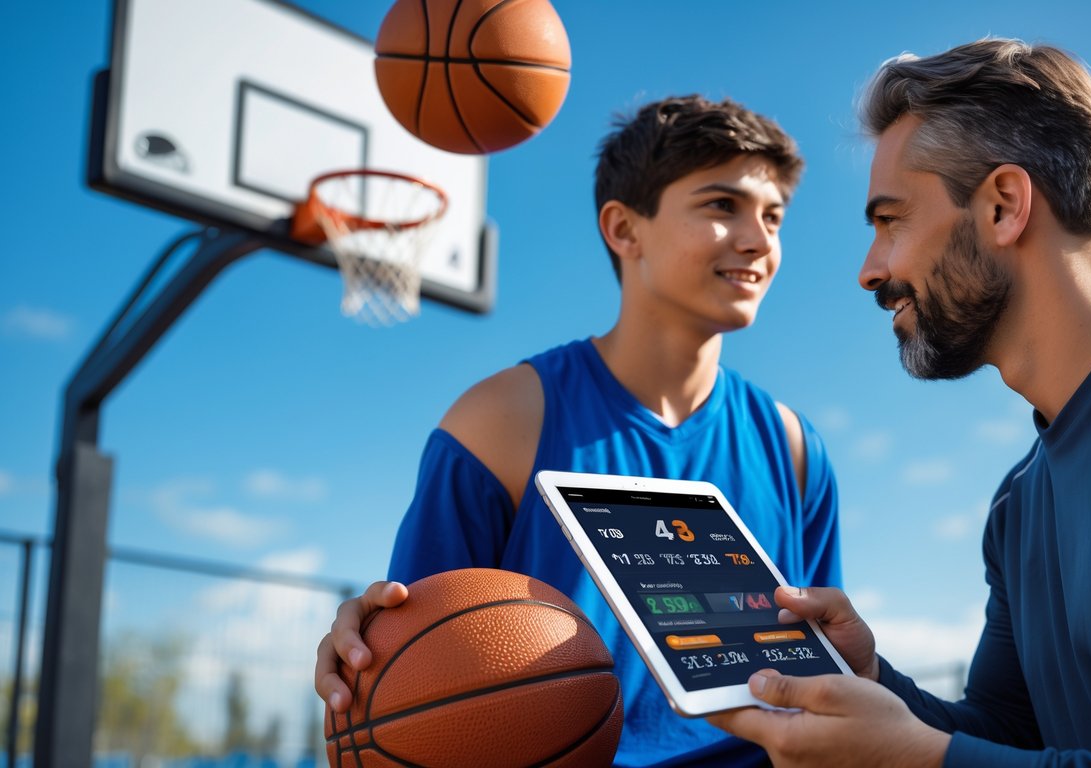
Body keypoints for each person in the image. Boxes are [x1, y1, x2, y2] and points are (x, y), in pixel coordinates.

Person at [708, 38, 1091, 766]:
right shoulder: (1018, 501)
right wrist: (871, 679)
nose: (869, 270)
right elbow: (1006, 734)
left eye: (890, 220)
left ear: (1003, 206)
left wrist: (922, 762)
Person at [314, 95, 842, 767]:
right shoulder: (501, 421)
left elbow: (825, 687)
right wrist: (369, 659)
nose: (759, 240)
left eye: (773, 217)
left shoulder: (793, 448)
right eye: (721, 206)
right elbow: (412, 681)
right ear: (624, 230)